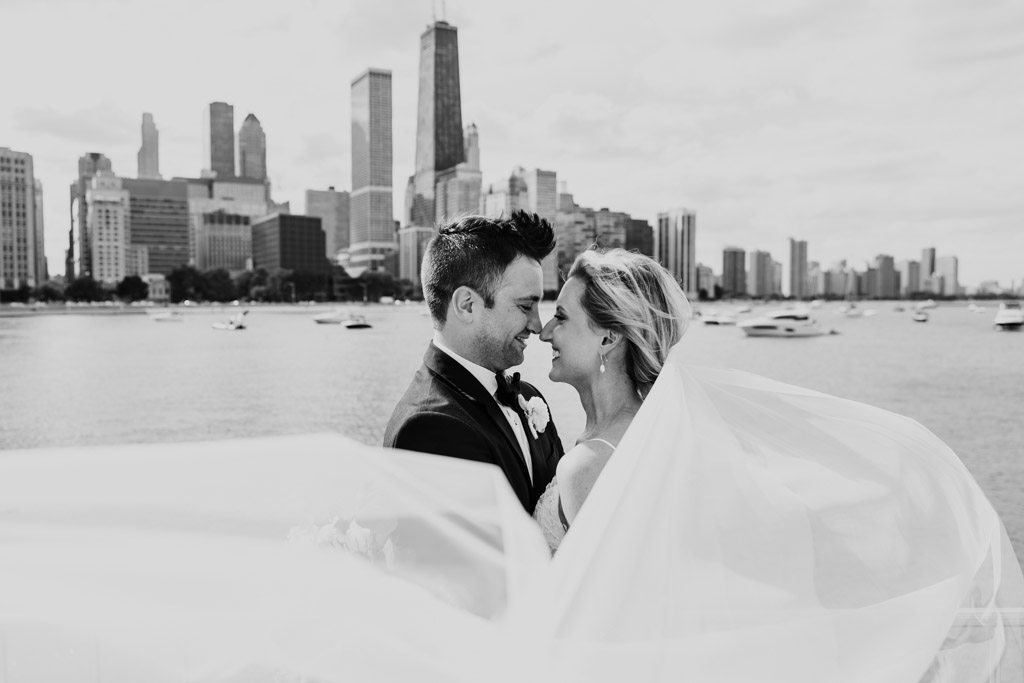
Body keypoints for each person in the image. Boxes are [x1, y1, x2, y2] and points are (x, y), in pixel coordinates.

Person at [384, 211, 565, 514]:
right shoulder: (429, 428)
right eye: (525, 305)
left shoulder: (530, 397)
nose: (537, 325)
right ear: (467, 305)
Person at [531, 248, 690, 552]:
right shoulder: (652, 428)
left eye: (561, 317)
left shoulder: (588, 466)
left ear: (608, 338)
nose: (545, 332)